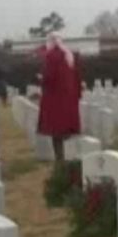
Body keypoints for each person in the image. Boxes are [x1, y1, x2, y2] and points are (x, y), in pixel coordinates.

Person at [37, 33, 82, 161]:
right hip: (69, 98)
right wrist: (77, 95)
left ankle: (60, 158)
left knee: (56, 132)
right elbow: (77, 77)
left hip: (55, 99)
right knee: (66, 130)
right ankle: (68, 157)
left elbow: (49, 78)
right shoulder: (69, 54)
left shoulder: (52, 56)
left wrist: (41, 79)